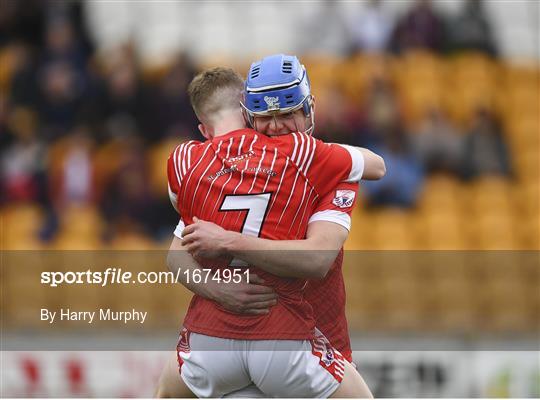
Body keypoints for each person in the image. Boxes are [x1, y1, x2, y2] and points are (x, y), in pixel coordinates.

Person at [158, 55, 384, 397]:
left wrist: (228, 241)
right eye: (266, 117)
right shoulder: (310, 155)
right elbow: (376, 166)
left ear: (308, 111)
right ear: (248, 115)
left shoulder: (195, 162)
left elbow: (178, 250)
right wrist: (222, 289)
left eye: (287, 114)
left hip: (217, 340)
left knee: (166, 389)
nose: (276, 127)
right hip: (288, 335)